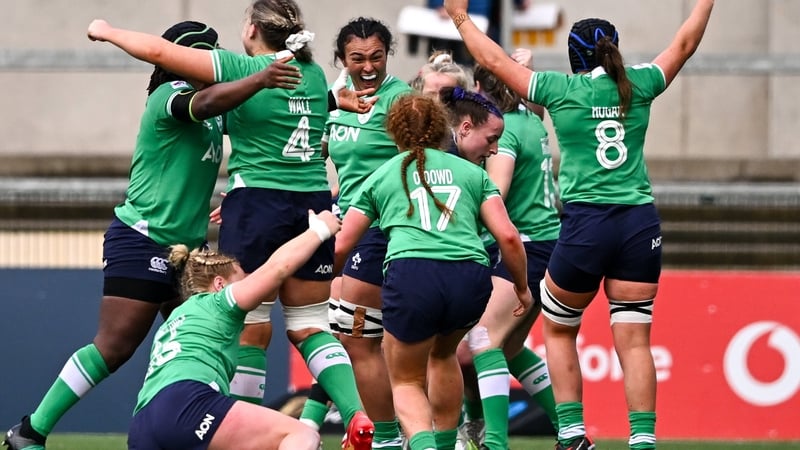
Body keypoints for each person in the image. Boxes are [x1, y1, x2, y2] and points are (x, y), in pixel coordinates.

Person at [2, 20, 307, 450]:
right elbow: (208, 103)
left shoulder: (215, 110)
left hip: (189, 251)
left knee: (220, 334)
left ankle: (224, 428)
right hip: (144, 239)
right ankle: (30, 431)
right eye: (200, 54)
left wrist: (329, 103)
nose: (208, 62)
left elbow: (259, 123)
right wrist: (259, 77)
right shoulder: (169, 95)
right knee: (115, 346)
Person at [86, 2, 376, 448]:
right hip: (313, 204)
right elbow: (294, 107)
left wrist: (106, 29)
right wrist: (337, 100)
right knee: (310, 325)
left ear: (253, 28)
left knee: (249, 326)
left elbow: (159, 52)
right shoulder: (314, 74)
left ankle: (244, 429)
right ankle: (355, 412)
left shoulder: (244, 67)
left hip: (256, 202)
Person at [444, 0, 715, 448]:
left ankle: (570, 434)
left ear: (573, 57)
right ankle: (642, 441)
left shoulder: (559, 89)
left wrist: (459, 16)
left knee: (559, 327)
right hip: (639, 226)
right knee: (634, 340)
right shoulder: (641, 83)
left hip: (587, 225)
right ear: (615, 50)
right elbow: (685, 43)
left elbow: (492, 60)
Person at [334, 93, 532, 450]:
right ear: (443, 128)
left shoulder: (381, 176)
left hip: (413, 276)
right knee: (443, 355)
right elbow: (508, 236)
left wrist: (322, 278)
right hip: (469, 276)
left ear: (395, 132)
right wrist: (521, 286)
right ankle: (445, 444)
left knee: (407, 380)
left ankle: (424, 446)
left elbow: (342, 245)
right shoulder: (473, 173)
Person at [127, 209, 340, 450]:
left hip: (142, 423)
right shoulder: (218, 302)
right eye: (242, 280)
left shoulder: (176, 318)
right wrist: (319, 230)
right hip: (187, 403)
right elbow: (277, 268)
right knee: (302, 435)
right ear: (220, 284)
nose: (249, 285)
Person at [297, 17, 412, 450]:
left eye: (376, 57)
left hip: (383, 229)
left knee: (358, 338)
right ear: (341, 59)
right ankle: (348, 427)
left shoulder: (399, 99)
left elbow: (420, 163)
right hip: (345, 225)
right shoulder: (337, 95)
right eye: (357, 58)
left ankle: (386, 438)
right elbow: (316, 151)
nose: (367, 67)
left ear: (388, 55)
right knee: (341, 333)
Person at [444, 60, 561, 450]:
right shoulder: (529, 119)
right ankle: (571, 431)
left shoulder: (503, 129)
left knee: (480, 340)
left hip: (525, 245)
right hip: (545, 244)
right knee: (507, 348)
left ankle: (491, 441)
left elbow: (496, 191)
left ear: (479, 90)